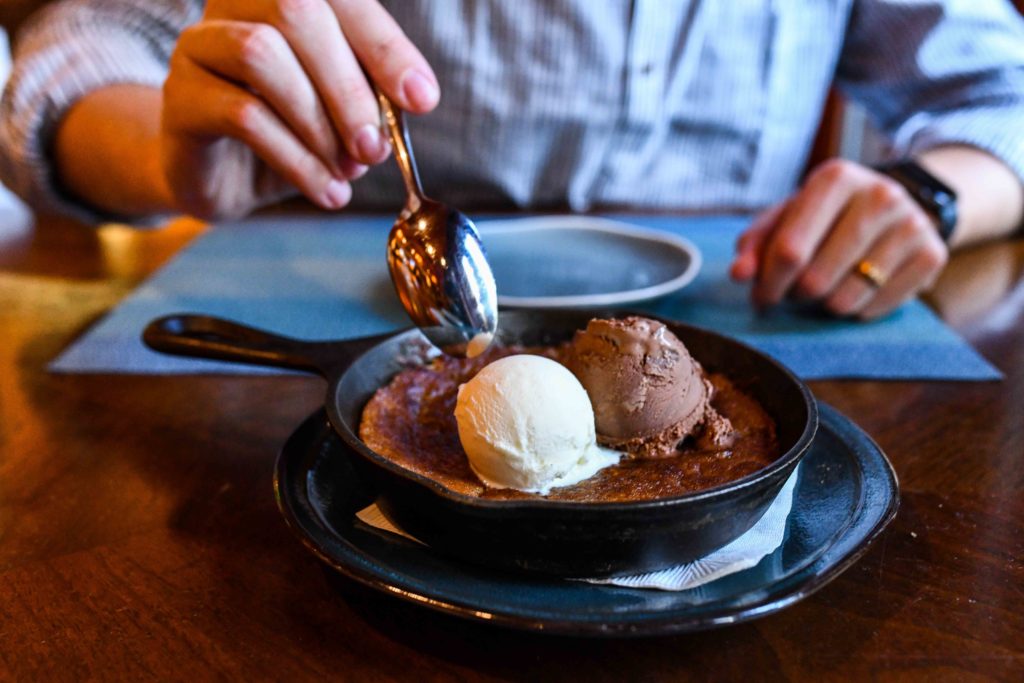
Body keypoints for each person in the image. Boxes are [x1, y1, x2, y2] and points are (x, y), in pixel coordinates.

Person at [2, 0, 1023, 319]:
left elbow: (1003, 91)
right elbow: (73, 52)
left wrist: (929, 195)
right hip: (374, 321)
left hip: (751, 315)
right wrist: (169, 158)